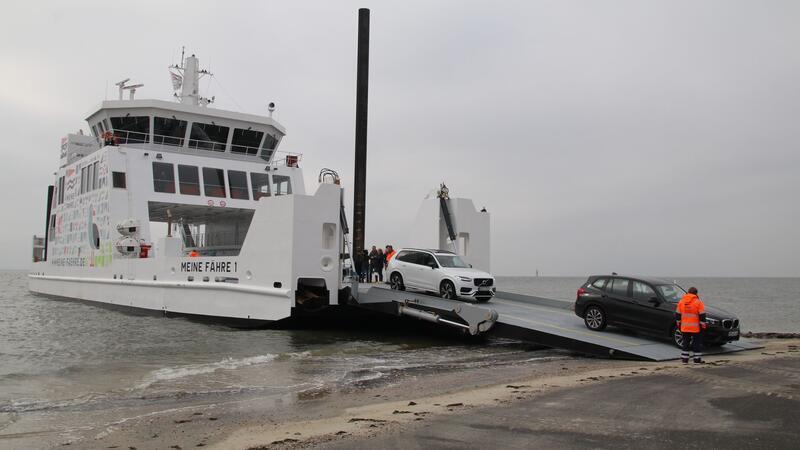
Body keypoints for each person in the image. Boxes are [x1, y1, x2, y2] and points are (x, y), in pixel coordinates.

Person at [675, 287, 706, 364]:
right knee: (696, 343)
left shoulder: (681, 302)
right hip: (696, 328)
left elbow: (678, 315)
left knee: (685, 342)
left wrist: (679, 324)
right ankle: (697, 360)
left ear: (688, 293)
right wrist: (703, 326)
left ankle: (685, 360)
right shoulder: (698, 302)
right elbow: (702, 316)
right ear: (696, 293)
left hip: (685, 327)